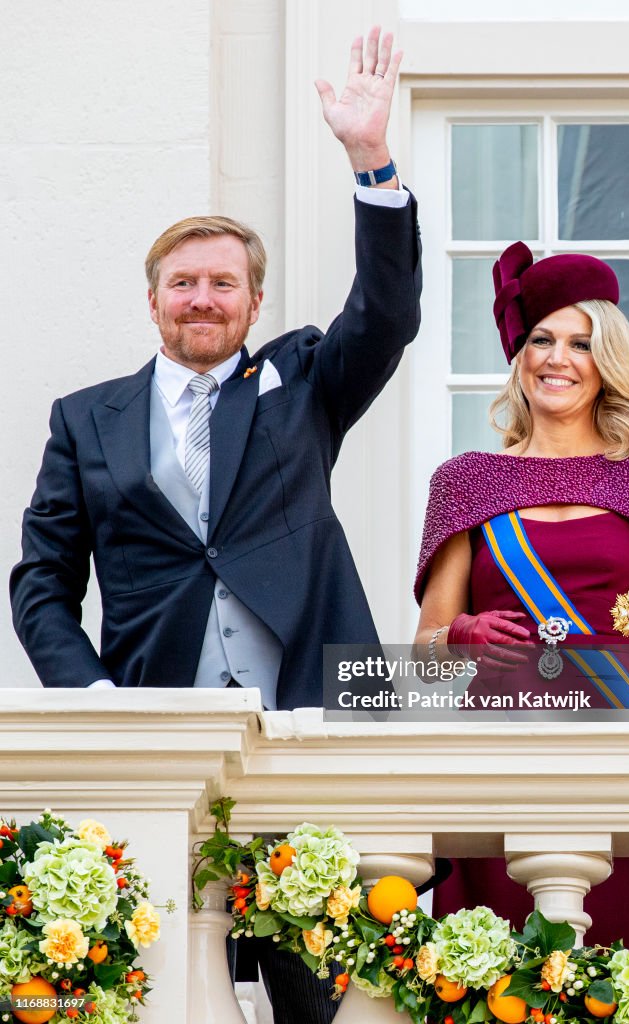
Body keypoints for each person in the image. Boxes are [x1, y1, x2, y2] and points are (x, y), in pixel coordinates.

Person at [10, 26, 419, 1024]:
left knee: (322, 999)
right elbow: (42, 580)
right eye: (183, 283)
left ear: (254, 299)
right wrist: (95, 701)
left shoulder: (304, 385)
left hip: (306, 733)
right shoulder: (86, 416)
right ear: (153, 301)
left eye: (223, 282)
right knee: (157, 999)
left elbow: (389, 313)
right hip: (155, 741)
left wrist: (372, 160)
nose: (203, 298)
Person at [413, 241, 629, 962]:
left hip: (626, 758)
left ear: (606, 358)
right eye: (541, 339)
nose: (558, 358)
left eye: (580, 343)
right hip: (496, 759)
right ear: (518, 357)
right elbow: (419, 658)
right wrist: (459, 634)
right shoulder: (465, 481)